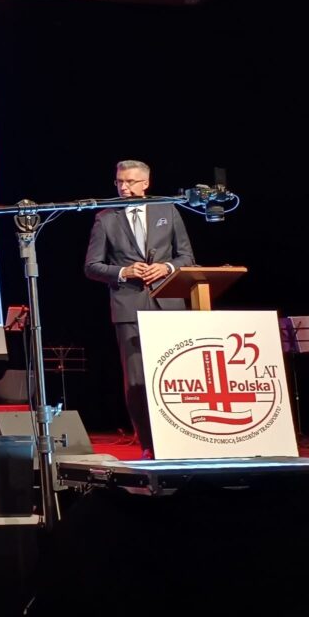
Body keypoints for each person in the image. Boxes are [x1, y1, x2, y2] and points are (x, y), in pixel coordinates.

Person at [84, 160, 194, 458]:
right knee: (137, 380)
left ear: (145, 183)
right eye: (119, 182)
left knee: (177, 373)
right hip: (128, 306)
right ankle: (149, 444)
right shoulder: (105, 218)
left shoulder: (167, 210)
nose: (124, 187)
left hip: (168, 303)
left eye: (130, 182)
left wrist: (167, 267)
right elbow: (92, 266)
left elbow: (187, 257)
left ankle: (184, 438)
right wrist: (124, 272)